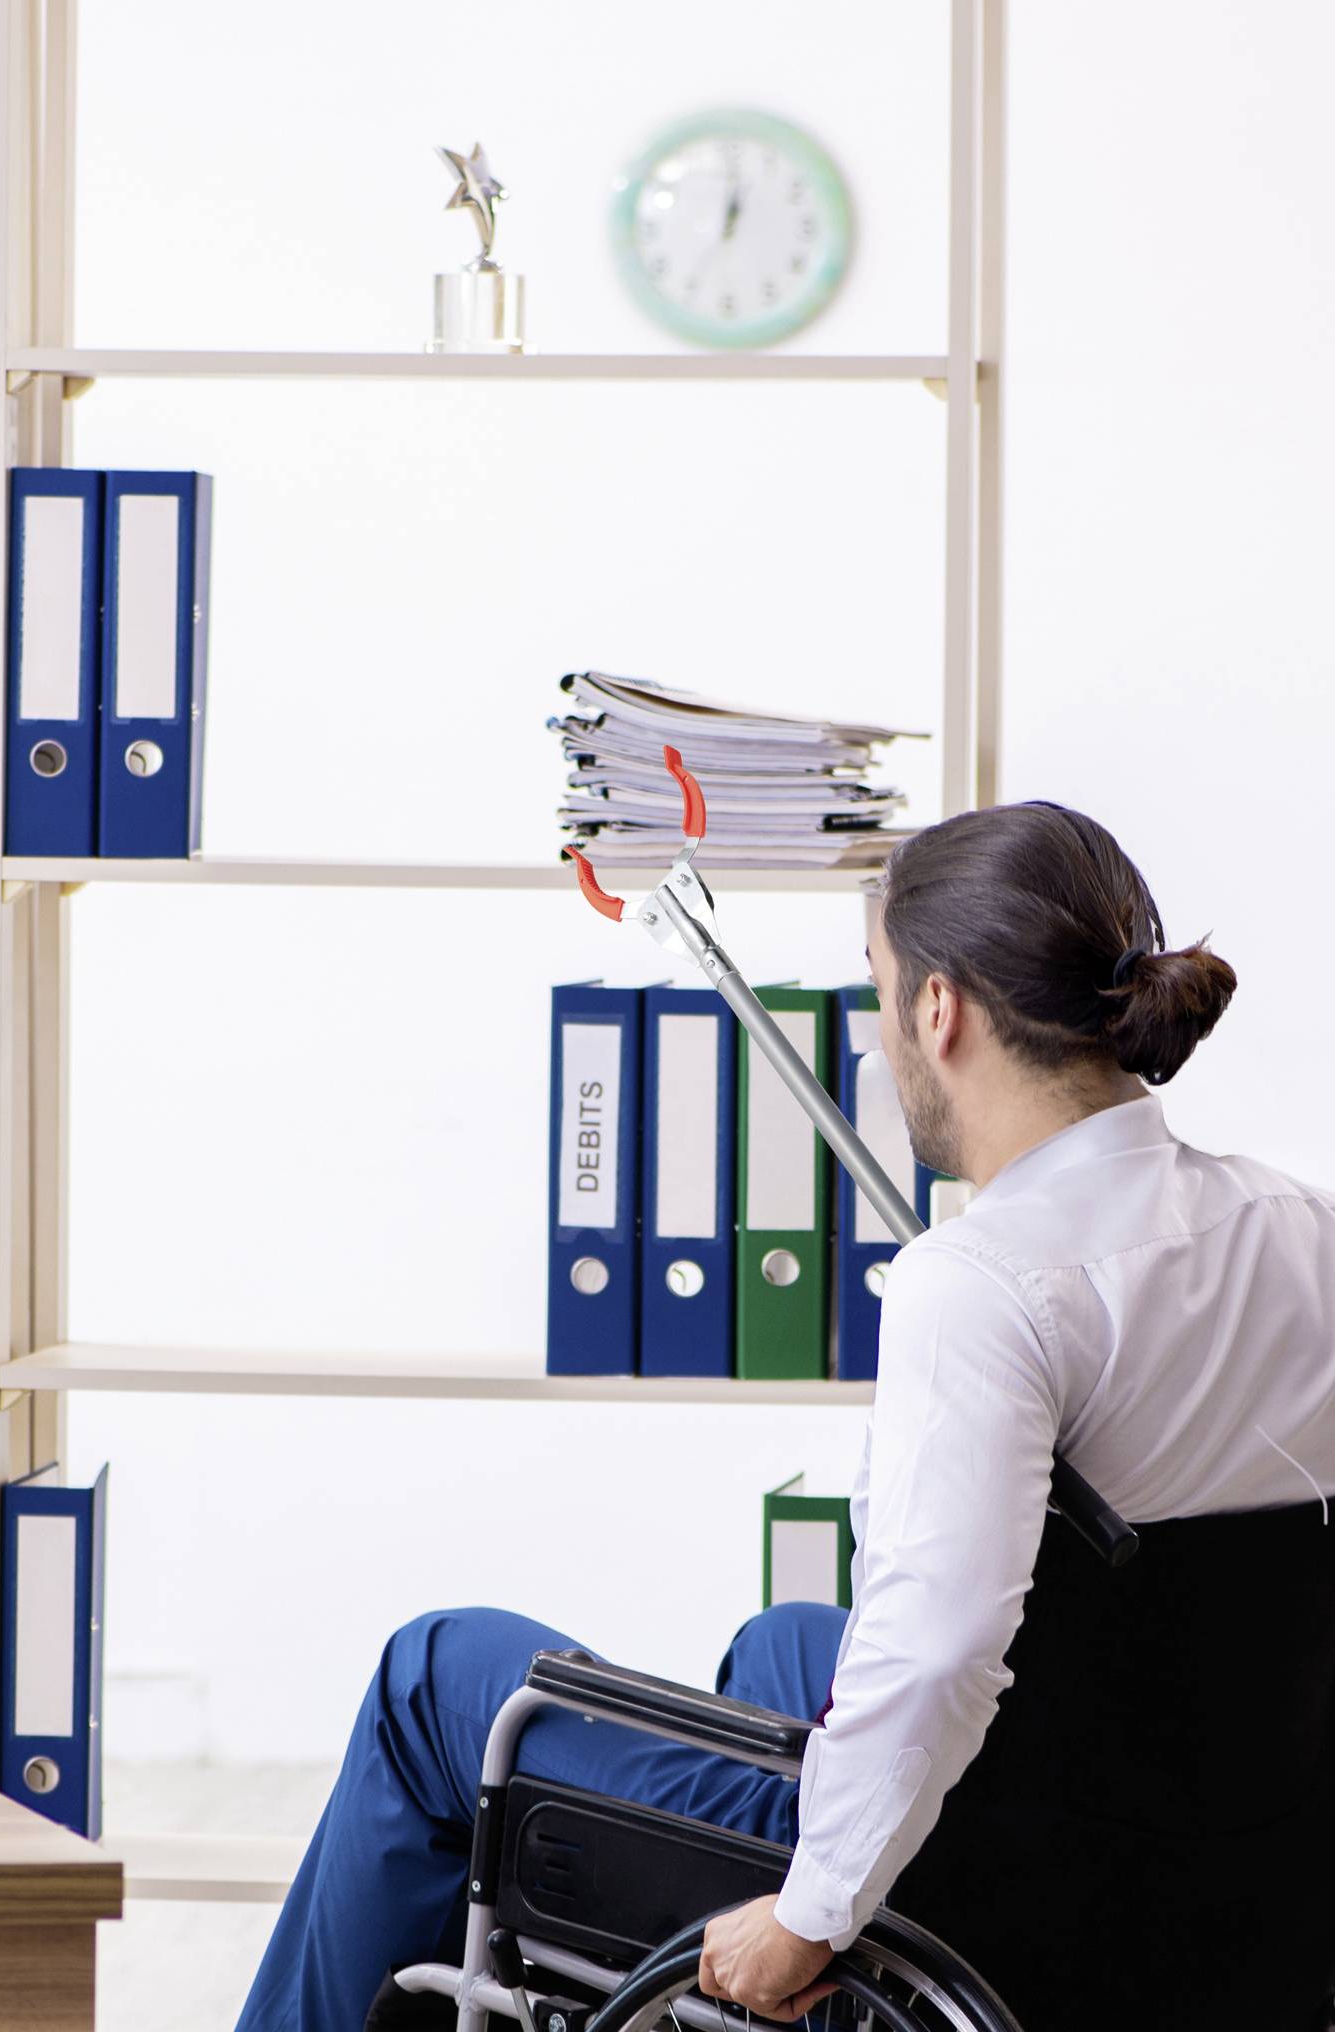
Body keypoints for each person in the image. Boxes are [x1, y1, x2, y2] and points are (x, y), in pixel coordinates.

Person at [236, 801, 1335, 2031]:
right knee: (784, 1642)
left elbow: (937, 1652)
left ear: (939, 1009)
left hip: (981, 1902)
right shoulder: (1297, 1228)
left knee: (430, 1672)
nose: (875, 1045)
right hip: (1222, 1876)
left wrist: (806, 1915)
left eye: (878, 995)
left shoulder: (981, 1287)